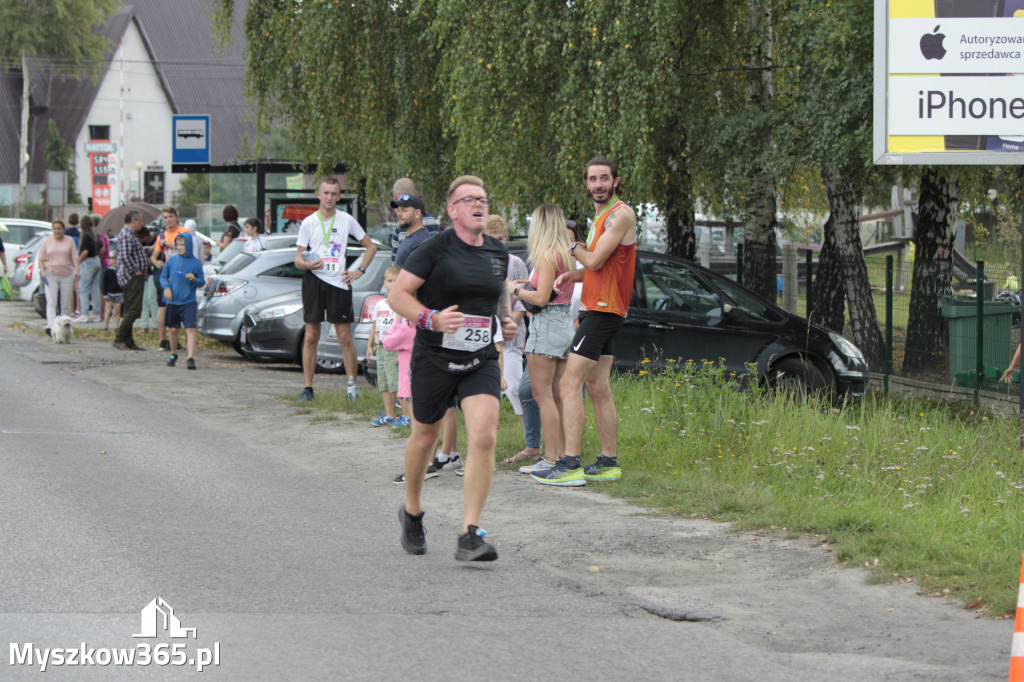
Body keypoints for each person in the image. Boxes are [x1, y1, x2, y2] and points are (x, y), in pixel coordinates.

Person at [389, 175, 517, 562]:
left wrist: (506, 322)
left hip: (479, 359)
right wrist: (430, 319)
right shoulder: (432, 250)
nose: (479, 204)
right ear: (453, 209)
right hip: (434, 358)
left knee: (483, 436)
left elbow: (496, 296)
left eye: (483, 198)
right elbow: (398, 296)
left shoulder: (497, 253)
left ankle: (470, 532)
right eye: (469, 199)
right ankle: (411, 511)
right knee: (425, 438)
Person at [534, 156, 636, 486]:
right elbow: (597, 265)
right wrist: (574, 275)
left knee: (568, 383)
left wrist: (570, 243)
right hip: (599, 307)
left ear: (616, 181)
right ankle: (608, 462)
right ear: (587, 184)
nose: (598, 184)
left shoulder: (620, 215)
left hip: (605, 309)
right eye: (592, 179)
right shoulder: (601, 219)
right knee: (597, 385)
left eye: (604, 178)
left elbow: (592, 257)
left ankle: (570, 464)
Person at [294, 176, 378, 402]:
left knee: (344, 337)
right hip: (314, 281)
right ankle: (308, 388)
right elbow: (297, 259)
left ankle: (351, 386)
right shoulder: (309, 222)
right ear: (318, 195)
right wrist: (307, 264)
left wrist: (359, 270)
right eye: (326, 193)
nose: (329, 197)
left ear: (339, 197)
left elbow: (371, 247)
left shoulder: (347, 220)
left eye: (334, 194)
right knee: (311, 336)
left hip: (339, 283)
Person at [509, 204, 576, 477]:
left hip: (546, 324)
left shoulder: (547, 255)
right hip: (562, 323)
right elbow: (549, 290)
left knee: (542, 396)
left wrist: (514, 288)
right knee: (557, 395)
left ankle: (549, 458)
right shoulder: (565, 254)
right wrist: (531, 283)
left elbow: (540, 298)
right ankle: (560, 454)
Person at [483, 215, 531, 460]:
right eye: (492, 238)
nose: (497, 243)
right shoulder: (478, 262)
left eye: (500, 238)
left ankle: (532, 439)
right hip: (484, 336)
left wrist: (510, 323)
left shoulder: (515, 263)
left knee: (514, 387)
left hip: (511, 337)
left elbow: (522, 302)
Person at [160, 232, 205, 370]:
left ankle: (190, 358)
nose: (180, 247)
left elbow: (201, 282)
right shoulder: (171, 261)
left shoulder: (196, 263)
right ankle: (174, 354)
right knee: (173, 329)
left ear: (189, 245)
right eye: (178, 244)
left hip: (189, 301)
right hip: (173, 301)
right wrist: (166, 288)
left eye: (183, 244)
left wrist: (195, 279)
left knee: (190, 329)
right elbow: (163, 277)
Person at [368, 265, 403, 427]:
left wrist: (400, 352)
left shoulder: (402, 305)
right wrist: (370, 345)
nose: (393, 284)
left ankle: (406, 415)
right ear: (385, 283)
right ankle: (390, 415)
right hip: (380, 348)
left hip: (394, 348)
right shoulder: (381, 304)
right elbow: (375, 326)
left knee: (396, 383)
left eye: (396, 281)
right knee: (383, 383)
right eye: (390, 281)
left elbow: (404, 330)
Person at [151, 207, 188, 351]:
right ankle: (163, 340)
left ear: (176, 217)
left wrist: (166, 243)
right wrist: (156, 262)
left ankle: (175, 340)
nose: (168, 220)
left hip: (180, 274)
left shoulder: (184, 232)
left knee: (176, 307)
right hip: (167, 274)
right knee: (163, 307)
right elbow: (153, 256)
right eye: (165, 217)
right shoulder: (162, 235)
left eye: (171, 216)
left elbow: (185, 247)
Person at [113, 210, 149, 351]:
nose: (142, 223)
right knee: (134, 309)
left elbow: (134, 252)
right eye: (140, 220)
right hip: (131, 277)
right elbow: (125, 256)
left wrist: (147, 249)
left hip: (133, 275)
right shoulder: (127, 235)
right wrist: (136, 270)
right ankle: (120, 338)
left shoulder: (130, 235)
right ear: (134, 220)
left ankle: (128, 340)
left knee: (129, 309)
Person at [38, 219, 79, 333]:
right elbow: (41, 258)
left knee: (65, 303)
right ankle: (51, 326)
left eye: (59, 229)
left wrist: (77, 269)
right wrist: (42, 271)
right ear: (52, 229)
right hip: (51, 273)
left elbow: (75, 256)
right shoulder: (47, 241)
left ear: (64, 229)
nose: (57, 231)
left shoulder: (69, 241)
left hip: (67, 274)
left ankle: (64, 326)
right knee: (51, 301)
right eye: (55, 229)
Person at [391, 194, 433, 268]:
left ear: (417, 213)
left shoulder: (420, 242)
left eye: (404, 210)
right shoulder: (413, 239)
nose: (399, 214)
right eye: (398, 210)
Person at [100, 251, 122, 331]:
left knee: (117, 310)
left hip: (119, 293)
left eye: (116, 258)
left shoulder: (120, 270)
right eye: (112, 258)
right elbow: (103, 284)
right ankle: (105, 326)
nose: (115, 260)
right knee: (108, 311)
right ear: (109, 260)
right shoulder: (106, 271)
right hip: (109, 294)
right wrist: (105, 294)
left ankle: (117, 327)